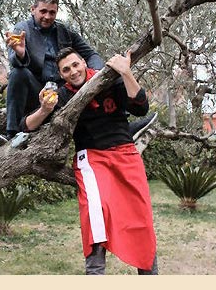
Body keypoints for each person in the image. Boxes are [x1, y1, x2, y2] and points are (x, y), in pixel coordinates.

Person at [22, 47, 158, 274]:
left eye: (75, 65)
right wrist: (45, 110)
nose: (73, 71)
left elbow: (141, 107)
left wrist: (126, 72)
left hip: (126, 153)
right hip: (92, 158)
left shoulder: (108, 79)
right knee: (95, 215)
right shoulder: (62, 96)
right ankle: (95, 274)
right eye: (66, 70)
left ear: (84, 62)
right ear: (61, 74)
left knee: (141, 218)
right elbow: (27, 126)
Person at [0, 0, 155, 146]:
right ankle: (12, 134)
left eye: (52, 12)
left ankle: (125, 128)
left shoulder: (64, 31)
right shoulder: (22, 30)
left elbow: (91, 55)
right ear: (33, 9)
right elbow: (15, 63)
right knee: (17, 74)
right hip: (38, 93)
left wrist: (97, 75)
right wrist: (21, 54)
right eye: (43, 11)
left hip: (64, 90)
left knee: (100, 78)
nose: (47, 17)